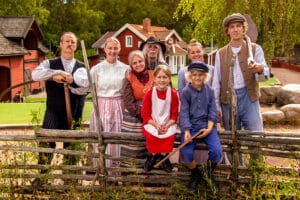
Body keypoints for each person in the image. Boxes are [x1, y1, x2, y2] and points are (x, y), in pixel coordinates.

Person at [31, 32, 89, 185]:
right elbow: (35, 75)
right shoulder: (50, 63)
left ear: (76, 46)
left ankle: (70, 180)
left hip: (74, 111)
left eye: (73, 42)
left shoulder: (82, 66)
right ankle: (42, 177)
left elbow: (86, 88)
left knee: (72, 145)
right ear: (61, 44)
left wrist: (71, 81)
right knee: (46, 141)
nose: (70, 44)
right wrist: (55, 74)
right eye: (67, 41)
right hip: (54, 111)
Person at [211, 13, 269, 164]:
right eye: (232, 27)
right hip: (228, 101)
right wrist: (216, 106)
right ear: (228, 31)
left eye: (239, 26)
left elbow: (266, 74)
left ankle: (256, 172)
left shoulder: (255, 49)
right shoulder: (220, 53)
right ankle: (238, 172)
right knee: (232, 140)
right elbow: (216, 82)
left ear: (244, 29)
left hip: (249, 98)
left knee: (255, 137)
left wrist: (260, 69)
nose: (235, 30)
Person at [180, 61, 223, 191]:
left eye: (200, 75)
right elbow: (184, 112)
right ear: (190, 76)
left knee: (216, 151)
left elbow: (212, 111)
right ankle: (196, 174)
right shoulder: (186, 92)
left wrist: (209, 128)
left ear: (205, 76)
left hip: (207, 126)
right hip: (191, 126)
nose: (197, 77)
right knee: (186, 152)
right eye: (194, 75)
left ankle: (208, 172)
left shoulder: (209, 91)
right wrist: (186, 131)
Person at [89, 37, 130, 169]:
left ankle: (116, 172)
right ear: (105, 49)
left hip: (119, 105)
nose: (113, 51)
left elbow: (128, 90)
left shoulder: (126, 69)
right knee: (100, 139)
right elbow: (93, 90)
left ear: (119, 49)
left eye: (115, 48)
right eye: (110, 48)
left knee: (117, 140)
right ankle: (101, 171)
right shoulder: (96, 69)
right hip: (101, 106)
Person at [141, 64, 179, 173]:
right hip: (152, 122)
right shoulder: (149, 93)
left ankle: (163, 157)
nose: (162, 80)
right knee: (153, 136)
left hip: (168, 123)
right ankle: (152, 156)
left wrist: (167, 125)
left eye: (165, 77)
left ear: (169, 79)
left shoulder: (173, 94)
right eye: (159, 77)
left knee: (168, 136)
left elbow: (174, 115)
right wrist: (156, 125)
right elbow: (145, 114)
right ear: (154, 78)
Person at [120, 50, 154, 167]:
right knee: (133, 148)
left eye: (140, 61)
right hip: (134, 118)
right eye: (134, 63)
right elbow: (129, 104)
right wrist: (145, 115)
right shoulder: (128, 79)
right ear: (131, 65)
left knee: (150, 147)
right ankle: (131, 178)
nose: (138, 64)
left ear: (145, 61)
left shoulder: (153, 74)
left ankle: (148, 180)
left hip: (153, 116)